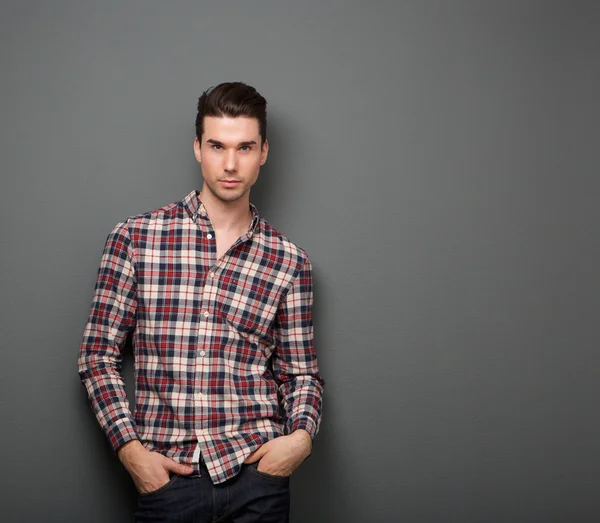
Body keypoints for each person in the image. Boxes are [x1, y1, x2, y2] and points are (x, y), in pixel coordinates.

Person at [78, 81, 325, 523]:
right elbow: (97, 356)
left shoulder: (289, 261)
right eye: (217, 146)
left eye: (245, 147)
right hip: (168, 479)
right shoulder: (136, 240)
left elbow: (301, 373)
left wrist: (300, 439)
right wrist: (132, 452)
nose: (230, 164)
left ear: (264, 152)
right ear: (197, 148)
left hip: (257, 479)